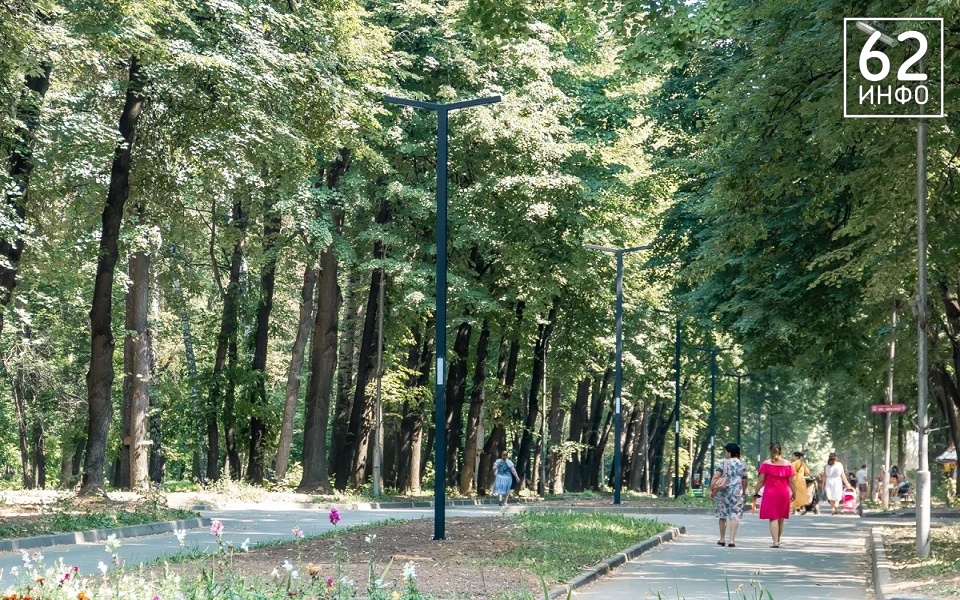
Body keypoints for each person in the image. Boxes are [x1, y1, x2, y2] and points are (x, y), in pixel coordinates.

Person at [752, 442, 794, 548]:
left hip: (770, 493)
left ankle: (775, 542)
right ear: (781, 451)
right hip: (784, 493)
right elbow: (791, 482)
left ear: (770, 451)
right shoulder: (788, 464)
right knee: (781, 518)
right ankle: (778, 540)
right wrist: (795, 493)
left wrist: (756, 492)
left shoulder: (766, 464)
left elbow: (761, 481)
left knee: (773, 518)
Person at [711, 442, 749, 548]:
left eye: (726, 452)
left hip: (723, 492)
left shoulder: (723, 463)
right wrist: (744, 493)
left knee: (723, 516)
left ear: (729, 452)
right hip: (737, 493)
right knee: (734, 516)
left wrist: (712, 489)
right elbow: (744, 480)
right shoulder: (742, 465)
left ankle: (722, 539)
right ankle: (732, 540)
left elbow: (716, 476)